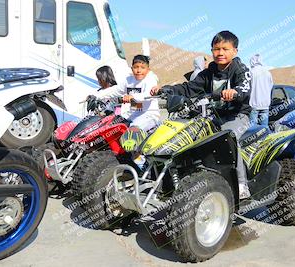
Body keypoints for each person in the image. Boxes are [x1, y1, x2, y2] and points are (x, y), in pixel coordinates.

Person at [151, 30, 252, 198]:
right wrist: (167, 89)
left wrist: (234, 92)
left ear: (235, 51)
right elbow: (189, 88)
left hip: (237, 116)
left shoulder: (240, 69)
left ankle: (242, 185)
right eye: (216, 49)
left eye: (225, 49)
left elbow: (245, 88)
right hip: (213, 116)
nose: (220, 53)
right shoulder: (208, 72)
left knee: (229, 137)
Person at [92, 56, 160, 132]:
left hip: (148, 115)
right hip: (132, 114)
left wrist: (132, 97)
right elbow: (115, 90)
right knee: (111, 130)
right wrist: (96, 96)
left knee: (130, 133)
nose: (139, 70)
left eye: (142, 68)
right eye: (136, 67)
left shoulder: (150, 79)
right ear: (132, 68)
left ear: (148, 70)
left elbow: (148, 95)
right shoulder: (128, 80)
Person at [248, 54, 274, 126]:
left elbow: (247, 87)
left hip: (254, 103)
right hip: (265, 104)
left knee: (253, 130)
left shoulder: (251, 72)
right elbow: (271, 86)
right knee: (264, 128)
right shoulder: (267, 73)